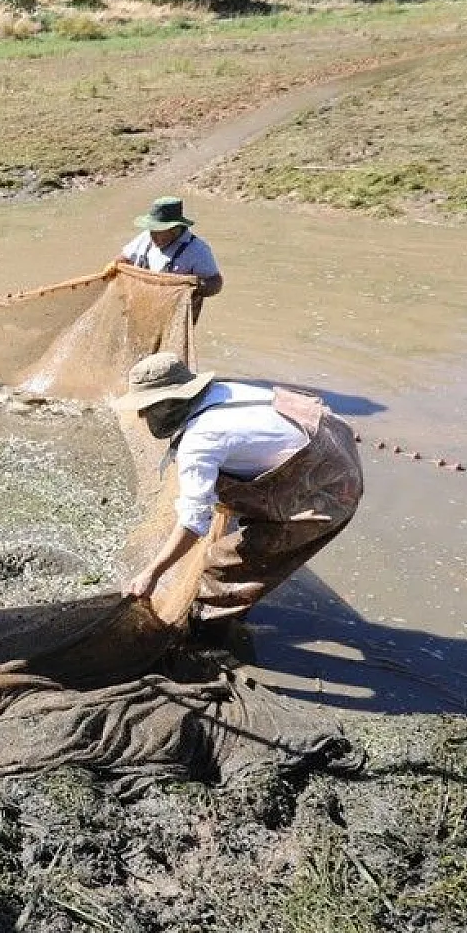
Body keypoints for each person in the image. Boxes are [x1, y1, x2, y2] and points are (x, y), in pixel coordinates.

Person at [118, 353, 363, 647]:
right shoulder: (223, 391)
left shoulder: (201, 440)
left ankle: (206, 642)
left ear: (170, 403)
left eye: (147, 408)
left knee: (221, 566)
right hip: (332, 444)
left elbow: (193, 521)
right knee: (233, 532)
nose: (142, 417)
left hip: (329, 488)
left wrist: (152, 573)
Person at [116, 197, 222, 320]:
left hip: (174, 319)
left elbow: (215, 283)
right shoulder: (146, 237)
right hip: (140, 312)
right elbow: (123, 259)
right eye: (152, 230)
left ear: (175, 229)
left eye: (158, 231)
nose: (153, 236)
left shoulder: (198, 249)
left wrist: (191, 287)